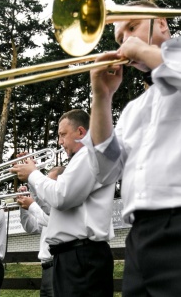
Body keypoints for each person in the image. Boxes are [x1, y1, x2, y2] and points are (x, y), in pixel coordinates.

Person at [85, 0, 181, 296]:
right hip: (139, 235)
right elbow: (106, 169)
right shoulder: (133, 109)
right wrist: (101, 98)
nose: (125, 40)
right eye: (119, 37)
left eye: (132, 27)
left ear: (162, 22)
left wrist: (142, 51)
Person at [10, 109, 115, 297]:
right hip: (72, 256)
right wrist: (31, 179)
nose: (60, 142)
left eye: (63, 134)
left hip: (81, 256)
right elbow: (53, 207)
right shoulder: (79, 160)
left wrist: (33, 174)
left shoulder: (89, 155)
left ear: (81, 132)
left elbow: (61, 196)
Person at [17, 166, 65, 297]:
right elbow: (30, 227)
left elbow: (53, 221)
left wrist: (32, 205)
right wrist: (23, 207)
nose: (47, 186)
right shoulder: (48, 208)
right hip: (46, 268)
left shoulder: (60, 206)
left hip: (57, 265)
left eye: (50, 182)